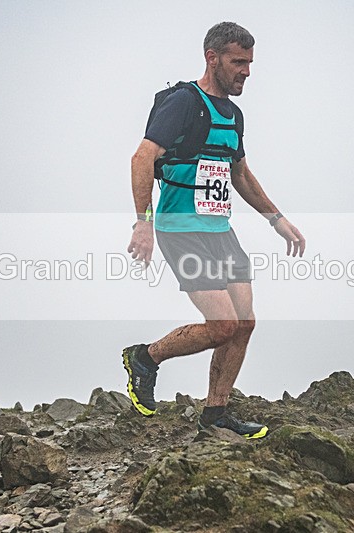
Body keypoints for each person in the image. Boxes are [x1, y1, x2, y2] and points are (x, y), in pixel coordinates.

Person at [123, 21, 305, 439]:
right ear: (213, 57)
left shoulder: (234, 115)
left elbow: (239, 173)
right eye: (238, 62)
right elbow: (141, 158)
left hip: (219, 229)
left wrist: (278, 220)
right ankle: (145, 358)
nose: (246, 72)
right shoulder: (185, 102)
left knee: (244, 323)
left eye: (250, 63)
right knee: (222, 325)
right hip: (180, 228)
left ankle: (216, 412)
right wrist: (143, 223)